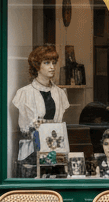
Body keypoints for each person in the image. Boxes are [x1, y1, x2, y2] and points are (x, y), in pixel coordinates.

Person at [12, 44, 69, 176]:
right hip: (32, 151)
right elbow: (27, 128)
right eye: (47, 62)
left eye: (54, 63)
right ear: (37, 66)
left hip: (55, 150)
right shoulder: (24, 93)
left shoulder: (60, 94)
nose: (52, 67)